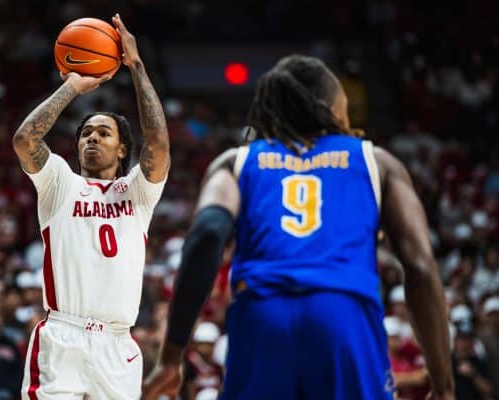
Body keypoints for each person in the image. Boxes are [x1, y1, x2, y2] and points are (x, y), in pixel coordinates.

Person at [143, 55, 454, 399]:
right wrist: (443, 383)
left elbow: (206, 235)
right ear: (335, 107)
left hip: (262, 316)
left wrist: (172, 356)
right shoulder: (376, 162)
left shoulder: (236, 162)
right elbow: (421, 266)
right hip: (344, 317)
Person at [12, 14, 169, 400]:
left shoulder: (137, 192)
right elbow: (24, 139)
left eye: (103, 132)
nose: (92, 138)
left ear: (123, 150)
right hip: (63, 334)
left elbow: (159, 145)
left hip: (117, 344)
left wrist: (136, 67)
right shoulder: (60, 182)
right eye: (85, 133)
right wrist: (71, 88)